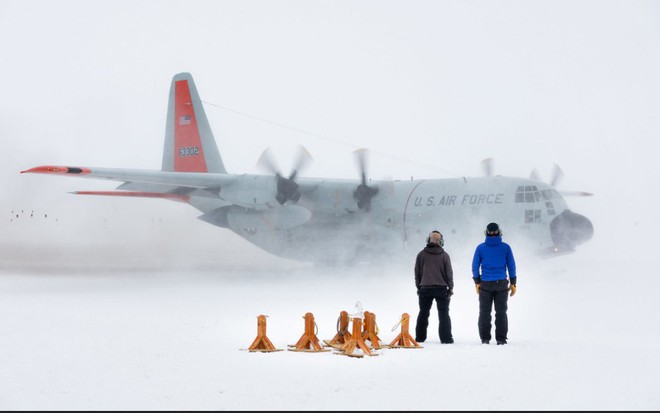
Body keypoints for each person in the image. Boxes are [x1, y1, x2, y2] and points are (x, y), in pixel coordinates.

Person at [471, 222, 517, 345]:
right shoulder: (506, 247)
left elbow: (475, 267)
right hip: (501, 284)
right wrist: (513, 283)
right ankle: (501, 339)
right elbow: (511, 266)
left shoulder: (480, 248)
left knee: (484, 312)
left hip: (485, 284)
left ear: (486, 233)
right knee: (501, 312)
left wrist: (477, 282)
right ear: (499, 232)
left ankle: (485, 338)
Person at [414, 230, 454, 344]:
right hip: (442, 289)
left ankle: (420, 338)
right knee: (444, 314)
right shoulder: (445, 256)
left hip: (425, 288)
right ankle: (446, 339)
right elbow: (449, 274)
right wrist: (450, 288)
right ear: (441, 242)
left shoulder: (421, 255)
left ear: (428, 240)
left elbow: (417, 273)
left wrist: (419, 287)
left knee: (423, 313)